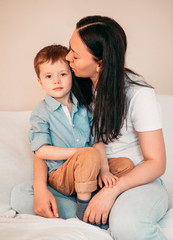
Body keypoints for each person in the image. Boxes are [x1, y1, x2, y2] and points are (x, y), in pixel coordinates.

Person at [11, 16, 169, 239]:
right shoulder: (74, 84)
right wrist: (40, 189)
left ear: (100, 63)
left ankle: (106, 210)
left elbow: (157, 163)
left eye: (74, 55)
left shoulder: (139, 95)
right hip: (87, 179)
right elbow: (45, 143)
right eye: (69, 50)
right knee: (22, 195)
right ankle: (91, 212)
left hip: (132, 180)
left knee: (127, 226)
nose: (67, 58)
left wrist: (111, 191)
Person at [26, 44, 134, 228]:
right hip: (61, 175)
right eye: (49, 76)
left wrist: (105, 170)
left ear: (72, 75)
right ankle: (85, 212)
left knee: (126, 165)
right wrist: (78, 153)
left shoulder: (84, 106)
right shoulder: (41, 113)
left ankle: (99, 195)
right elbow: (41, 151)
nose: (56, 81)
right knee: (88, 154)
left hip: (87, 165)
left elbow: (97, 142)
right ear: (40, 82)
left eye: (63, 74)